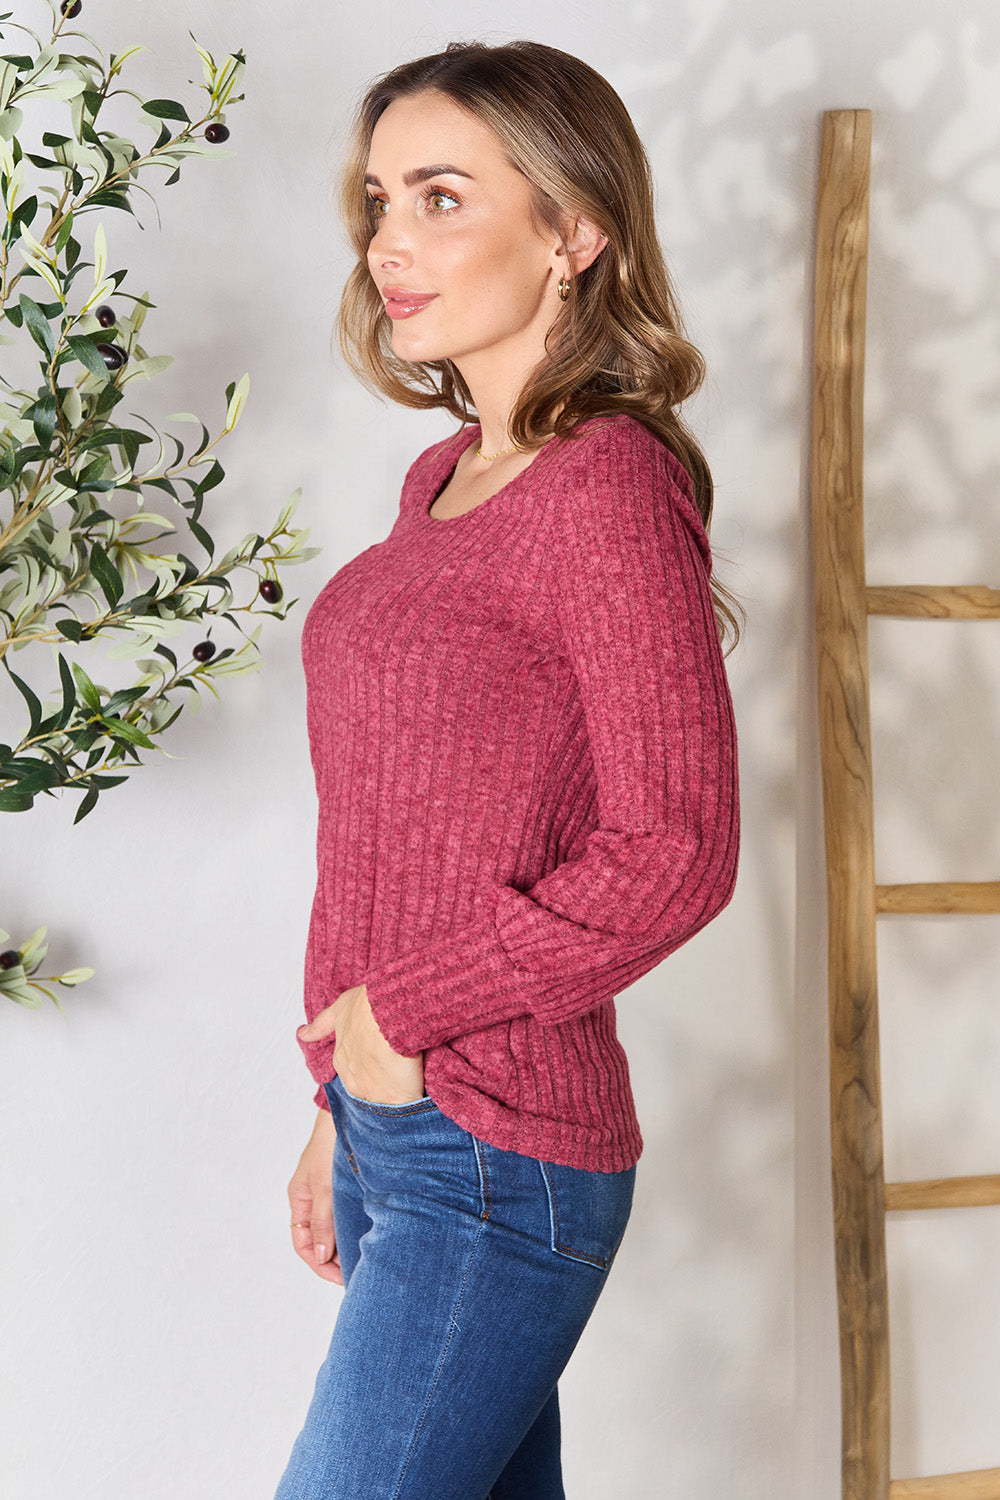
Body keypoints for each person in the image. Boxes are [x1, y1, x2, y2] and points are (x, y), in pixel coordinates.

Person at [273, 38, 740, 1500]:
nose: (388, 243)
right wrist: (332, 1105)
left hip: (495, 1149)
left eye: (439, 196)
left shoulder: (607, 481)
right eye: (376, 198)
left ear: (573, 229)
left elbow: (677, 848)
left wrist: (397, 1017)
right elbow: (410, 828)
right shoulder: (445, 480)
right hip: (394, 1127)